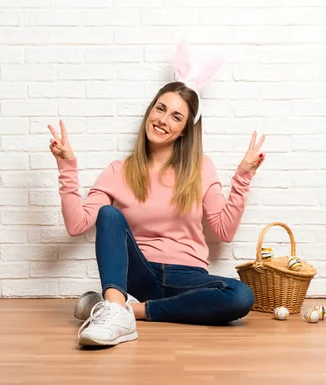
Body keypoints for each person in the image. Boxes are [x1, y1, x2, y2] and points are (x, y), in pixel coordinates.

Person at [47, 81, 266, 347]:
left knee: (241, 296)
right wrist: (66, 166)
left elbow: (224, 230)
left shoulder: (201, 167)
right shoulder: (119, 171)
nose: (163, 120)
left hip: (188, 277)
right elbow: (76, 224)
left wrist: (244, 175)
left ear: (184, 130)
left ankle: (125, 310)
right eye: (160, 108)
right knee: (109, 214)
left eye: (176, 117)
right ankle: (116, 307)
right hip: (140, 274)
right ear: (150, 111)